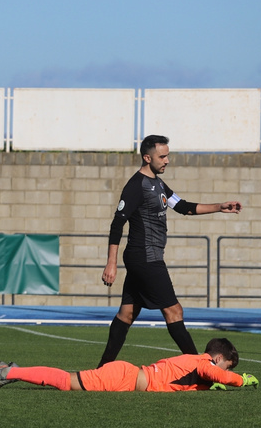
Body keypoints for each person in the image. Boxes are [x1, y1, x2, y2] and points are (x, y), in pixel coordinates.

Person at [98, 135, 242, 367]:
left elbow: (183, 207)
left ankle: (101, 370)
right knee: (174, 311)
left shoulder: (158, 184)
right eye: (162, 156)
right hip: (145, 258)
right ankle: (201, 368)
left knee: (126, 314)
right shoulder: (136, 186)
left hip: (143, 258)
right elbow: (117, 223)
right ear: (147, 157)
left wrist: (219, 207)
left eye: (167, 155)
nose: (167, 160)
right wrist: (111, 263)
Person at [0, 337, 258, 392]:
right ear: (218, 358)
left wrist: (213, 386)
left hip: (127, 377)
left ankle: (12, 369)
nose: (225, 374)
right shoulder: (202, 362)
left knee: (67, 381)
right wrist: (241, 380)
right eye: (227, 368)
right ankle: (7, 371)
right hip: (123, 377)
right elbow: (213, 374)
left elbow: (201, 381)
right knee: (65, 381)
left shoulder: (196, 366)